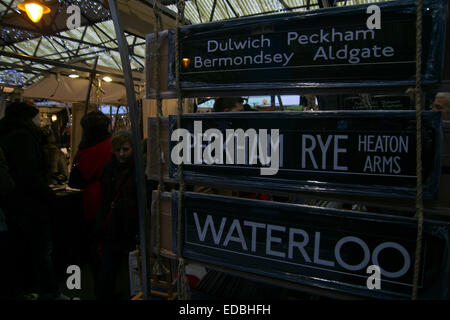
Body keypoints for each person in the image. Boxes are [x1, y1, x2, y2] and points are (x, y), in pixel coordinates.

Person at [0, 101, 63, 300]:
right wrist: (48, 194)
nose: (39, 121)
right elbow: (29, 174)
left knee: (19, 249)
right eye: (36, 117)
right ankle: (49, 291)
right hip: (29, 204)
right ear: (28, 118)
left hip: (12, 204)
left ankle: (21, 290)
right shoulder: (23, 137)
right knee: (41, 250)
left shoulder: (6, 133)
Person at [95, 130, 138, 300]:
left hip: (129, 225)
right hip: (113, 226)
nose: (121, 153)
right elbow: (105, 198)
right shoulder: (109, 167)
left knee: (131, 270)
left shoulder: (137, 169)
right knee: (109, 269)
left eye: (125, 149)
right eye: (118, 149)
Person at [70, 110, 113, 267]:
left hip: (89, 199)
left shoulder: (82, 150)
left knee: (95, 242)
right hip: (106, 198)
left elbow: (75, 180)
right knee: (107, 243)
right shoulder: (109, 146)